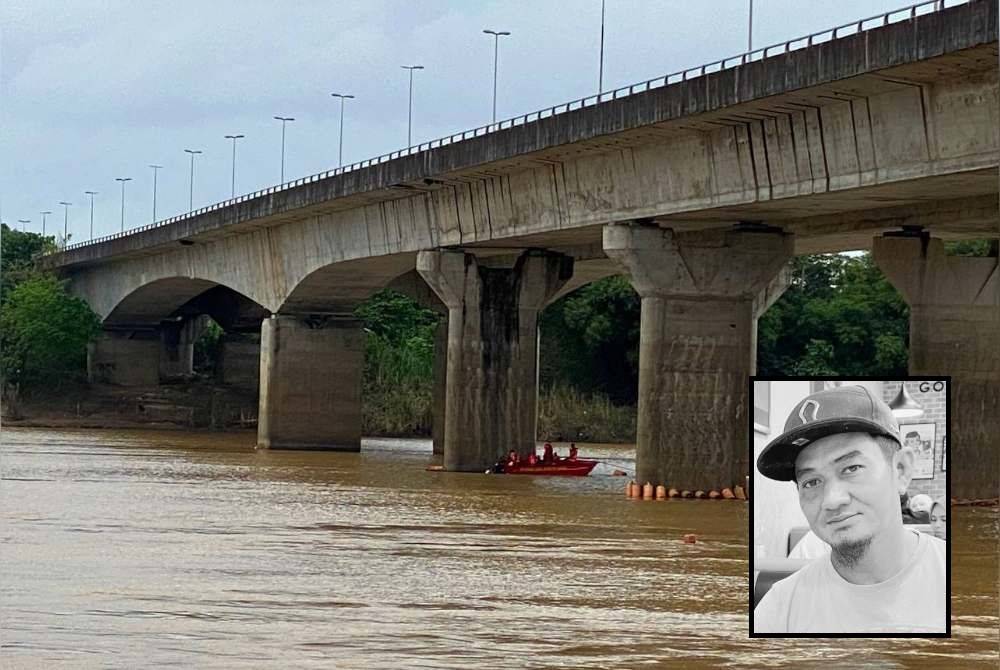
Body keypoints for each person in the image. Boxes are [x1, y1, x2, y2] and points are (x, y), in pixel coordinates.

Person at [754, 385, 946, 634]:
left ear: (900, 470)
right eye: (812, 482)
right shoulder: (780, 607)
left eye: (852, 468)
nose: (832, 500)